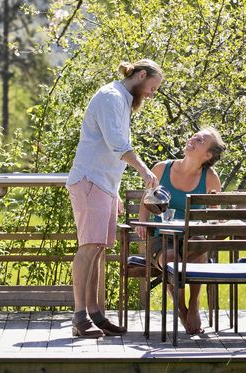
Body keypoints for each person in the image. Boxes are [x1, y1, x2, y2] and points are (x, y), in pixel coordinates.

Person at [66, 59, 163, 338]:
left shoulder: (122, 99)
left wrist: (115, 191)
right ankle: (79, 317)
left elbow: (108, 152)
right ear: (141, 75)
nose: (151, 94)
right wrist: (144, 171)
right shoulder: (111, 97)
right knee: (89, 248)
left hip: (104, 185)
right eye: (152, 87)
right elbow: (117, 144)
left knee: (98, 250)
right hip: (89, 181)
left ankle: (96, 314)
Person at [137, 126, 225, 336]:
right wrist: (142, 222)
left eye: (201, 140)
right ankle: (181, 308)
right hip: (162, 238)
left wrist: (216, 214)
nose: (194, 138)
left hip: (191, 237)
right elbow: (145, 202)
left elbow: (216, 217)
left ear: (208, 155)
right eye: (195, 135)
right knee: (170, 257)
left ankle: (193, 304)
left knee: (199, 245)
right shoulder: (161, 169)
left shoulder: (210, 177)